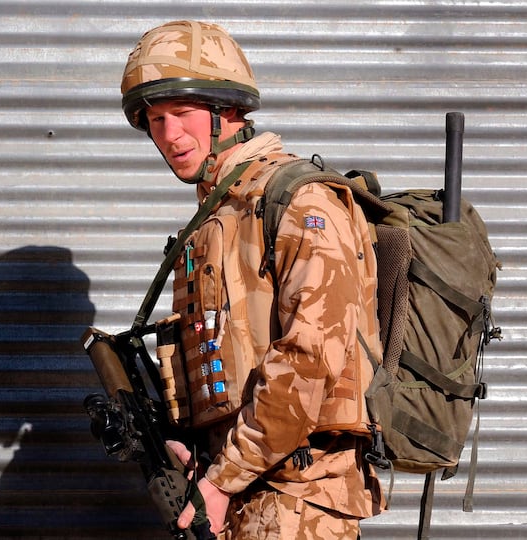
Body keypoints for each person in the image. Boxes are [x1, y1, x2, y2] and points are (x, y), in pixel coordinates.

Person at [119, 20, 386, 539]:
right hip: (238, 490)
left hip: (300, 501)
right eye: (155, 120)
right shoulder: (216, 218)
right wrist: (190, 446)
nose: (170, 135)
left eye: (182, 114)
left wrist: (220, 483)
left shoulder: (299, 201)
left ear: (227, 110)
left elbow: (312, 357)